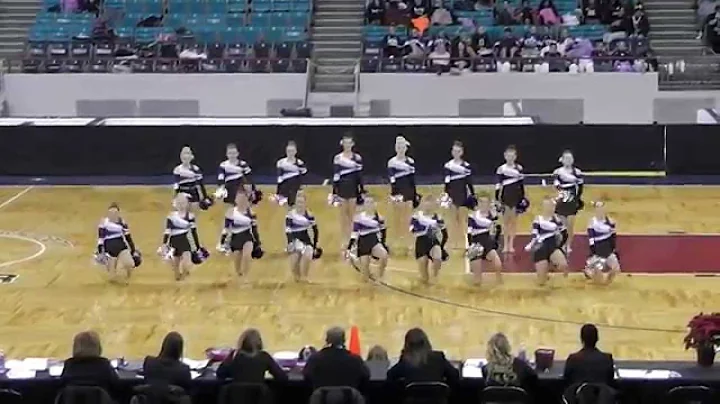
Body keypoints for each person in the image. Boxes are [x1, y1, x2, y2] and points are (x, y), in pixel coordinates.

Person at [159, 193, 209, 281]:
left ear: (187, 204)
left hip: (186, 241)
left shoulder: (190, 216)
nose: (181, 205)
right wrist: (164, 244)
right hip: (174, 242)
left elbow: (194, 232)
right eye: (179, 203)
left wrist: (197, 247)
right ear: (175, 204)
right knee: (176, 270)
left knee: (186, 264)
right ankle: (179, 278)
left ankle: (184, 276)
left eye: (183, 203)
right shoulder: (171, 217)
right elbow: (167, 231)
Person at [215, 143, 255, 250]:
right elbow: (220, 179)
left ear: (237, 153)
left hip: (242, 194)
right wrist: (220, 190)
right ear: (227, 154)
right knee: (229, 218)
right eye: (230, 153)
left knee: (245, 217)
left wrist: (251, 193)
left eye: (234, 153)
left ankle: (248, 240)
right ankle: (223, 243)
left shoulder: (243, 165)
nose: (232, 155)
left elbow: (249, 179)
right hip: (229, 194)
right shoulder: (223, 166)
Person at [303, 327, 370, 389]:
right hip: (348, 399)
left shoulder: (315, 359)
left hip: (322, 399)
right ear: (344, 340)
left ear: (326, 340)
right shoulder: (355, 360)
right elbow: (366, 376)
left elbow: (307, 376)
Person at [331, 133, 366, 253]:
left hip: (352, 189)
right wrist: (334, 192)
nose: (347, 145)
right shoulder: (338, 158)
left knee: (352, 216)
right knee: (343, 217)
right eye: (345, 143)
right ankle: (344, 241)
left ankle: (353, 240)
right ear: (342, 144)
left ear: (352, 144)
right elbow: (336, 175)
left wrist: (362, 190)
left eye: (349, 143)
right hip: (342, 189)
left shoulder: (357, 158)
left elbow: (359, 176)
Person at [387, 328, 460, 385]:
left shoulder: (406, 361)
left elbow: (390, 375)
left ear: (407, 345)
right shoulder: (438, 357)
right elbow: (455, 375)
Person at [524, 197, 569, 286]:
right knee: (541, 282)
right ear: (543, 207)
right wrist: (531, 245)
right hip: (540, 248)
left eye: (550, 206)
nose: (548, 208)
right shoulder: (538, 219)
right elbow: (535, 234)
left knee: (563, 265)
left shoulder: (557, 220)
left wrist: (561, 246)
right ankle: (544, 272)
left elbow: (565, 234)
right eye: (546, 206)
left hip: (552, 247)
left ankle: (550, 265)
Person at [217, 328, 288, 382]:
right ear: (259, 343)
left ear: (242, 342)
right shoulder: (264, 357)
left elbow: (220, 374)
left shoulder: (234, 356)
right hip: (259, 399)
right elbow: (282, 377)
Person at [441, 141, 476, 251]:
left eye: (458, 151)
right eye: (454, 151)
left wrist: (473, 195)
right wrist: (446, 196)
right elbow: (447, 182)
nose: (456, 153)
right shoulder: (448, 166)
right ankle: (453, 242)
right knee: (452, 220)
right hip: (452, 195)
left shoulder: (466, 166)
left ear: (462, 152)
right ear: (452, 152)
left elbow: (469, 182)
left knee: (463, 220)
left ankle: (465, 242)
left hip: (463, 196)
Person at [221, 190, 263, 278]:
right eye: (239, 198)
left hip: (247, 236)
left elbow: (254, 228)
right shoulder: (230, 212)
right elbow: (226, 228)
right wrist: (222, 241)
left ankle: (246, 275)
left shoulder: (251, 213)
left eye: (243, 198)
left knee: (247, 256)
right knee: (237, 260)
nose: (241, 201)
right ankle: (239, 273)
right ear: (236, 200)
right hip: (235, 238)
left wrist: (258, 242)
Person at [95, 202, 141, 283]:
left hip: (121, 247)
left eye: (115, 212)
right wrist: (100, 251)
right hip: (109, 250)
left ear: (118, 213)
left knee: (130, 264)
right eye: (111, 212)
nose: (113, 214)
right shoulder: (104, 223)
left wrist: (133, 250)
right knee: (112, 278)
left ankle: (128, 279)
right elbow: (101, 238)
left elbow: (128, 238)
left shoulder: (122, 223)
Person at [388, 135, 419, 250]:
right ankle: (397, 239)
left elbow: (412, 180)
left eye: (403, 146)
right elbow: (392, 180)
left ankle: (408, 240)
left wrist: (415, 195)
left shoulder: (411, 162)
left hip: (409, 192)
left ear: (406, 148)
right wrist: (395, 194)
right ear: (396, 148)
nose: (401, 148)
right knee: (398, 217)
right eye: (399, 146)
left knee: (408, 218)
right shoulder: (392, 162)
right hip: (398, 192)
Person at [346, 196, 389, 280]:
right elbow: (354, 234)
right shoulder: (359, 218)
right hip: (363, 244)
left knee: (384, 256)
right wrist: (349, 248)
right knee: (364, 275)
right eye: (367, 202)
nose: (369, 204)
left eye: (371, 202)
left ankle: (380, 276)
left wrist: (383, 244)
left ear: (374, 204)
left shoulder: (380, 218)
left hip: (374, 242)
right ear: (364, 205)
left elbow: (383, 231)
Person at [495, 145, 527, 254]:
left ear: (515, 156)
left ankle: (511, 244)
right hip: (505, 196)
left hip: (515, 196)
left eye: (512, 156)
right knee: (505, 222)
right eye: (508, 156)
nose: (510, 158)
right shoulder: (501, 169)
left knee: (513, 222)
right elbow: (498, 185)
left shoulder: (519, 169)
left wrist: (522, 198)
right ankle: (505, 244)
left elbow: (521, 185)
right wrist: (497, 199)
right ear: (505, 156)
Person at [410, 197, 448, 284]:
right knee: (424, 275)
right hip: (421, 243)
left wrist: (442, 246)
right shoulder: (416, 217)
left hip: (433, 242)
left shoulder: (437, 217)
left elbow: (445, 233)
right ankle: (424, 281)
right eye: (426, 204)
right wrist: (429, 227)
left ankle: (435, 278)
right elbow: (413, 230)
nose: (428, 206)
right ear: (422, 205)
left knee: (437, 256)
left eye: (430, 204)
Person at [467, 195, 503, 286]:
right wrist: (471, 247)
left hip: (487, 242)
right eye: (481, 202)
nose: (483, 204)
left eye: (485, 202)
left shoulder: (492, 216)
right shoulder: (472, 216)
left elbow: (497, 229)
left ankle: (499, 282)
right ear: (478, 204)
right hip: (476, 242)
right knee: (477, 280)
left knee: (498, 264)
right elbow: (469, 233)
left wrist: (495, 242)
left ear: (488, 204)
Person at [553, 150, 584, 254]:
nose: (568, 161)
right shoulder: (558, 172)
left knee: (570, 225)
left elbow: (580, 187)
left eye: (570, 159)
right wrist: (562, 193)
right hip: (562, 198)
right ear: (562, 160)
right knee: (562, 225)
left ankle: (568, 245)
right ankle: (561, 244)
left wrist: (578, 199)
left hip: (572, 199)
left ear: (573, 160)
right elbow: (556, 185)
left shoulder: (577, 172)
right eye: (566, 158)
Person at [285, 192, 321, 282]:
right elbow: (288, 230)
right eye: (298, 202)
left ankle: (305, 276)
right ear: (295, 203)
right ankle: (297, 278)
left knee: (308, 254)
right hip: (294, 239)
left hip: (305, 239)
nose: (300, 205)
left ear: (305, 203)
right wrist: (290, 243)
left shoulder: (309, 215)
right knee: (294, 263)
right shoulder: (290, 215)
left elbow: (315, 231)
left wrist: (315, 246)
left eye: (302, 202)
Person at [585, 201, 621, 284]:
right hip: (598, 254)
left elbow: (613, 238)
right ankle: (590, 269)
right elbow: (591, 240)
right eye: (597, 207)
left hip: (608, 253)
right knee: (597, 278)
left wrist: (614, 251)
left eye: (601, 207)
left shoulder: (611, 222)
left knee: (616, 269)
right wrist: (593, 253)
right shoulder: (592, 222)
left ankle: (606, 283)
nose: (600, 209)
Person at [172, 146, 212, 212]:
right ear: (181, 156)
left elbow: (201, 185)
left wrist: (205, 197)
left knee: (193, 214)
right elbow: (176, 186)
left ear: (191, 157)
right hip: (182, 193)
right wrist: (175, 197)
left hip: (194, 194)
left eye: (187, 153)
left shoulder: (196, 169)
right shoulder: (177, 170)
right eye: (183, 154)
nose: (185, 156)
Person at [273, 140, 308, 207]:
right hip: (284, 187)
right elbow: (279, 178)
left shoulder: (299, 163)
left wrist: (301, 188)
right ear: (286, 151)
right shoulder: (280, 162)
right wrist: (278, 192)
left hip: (295, 187)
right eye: (288, 151)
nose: (290, 153)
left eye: (292, 151)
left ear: (295, 152)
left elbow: (303, 175)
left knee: (292, 204)